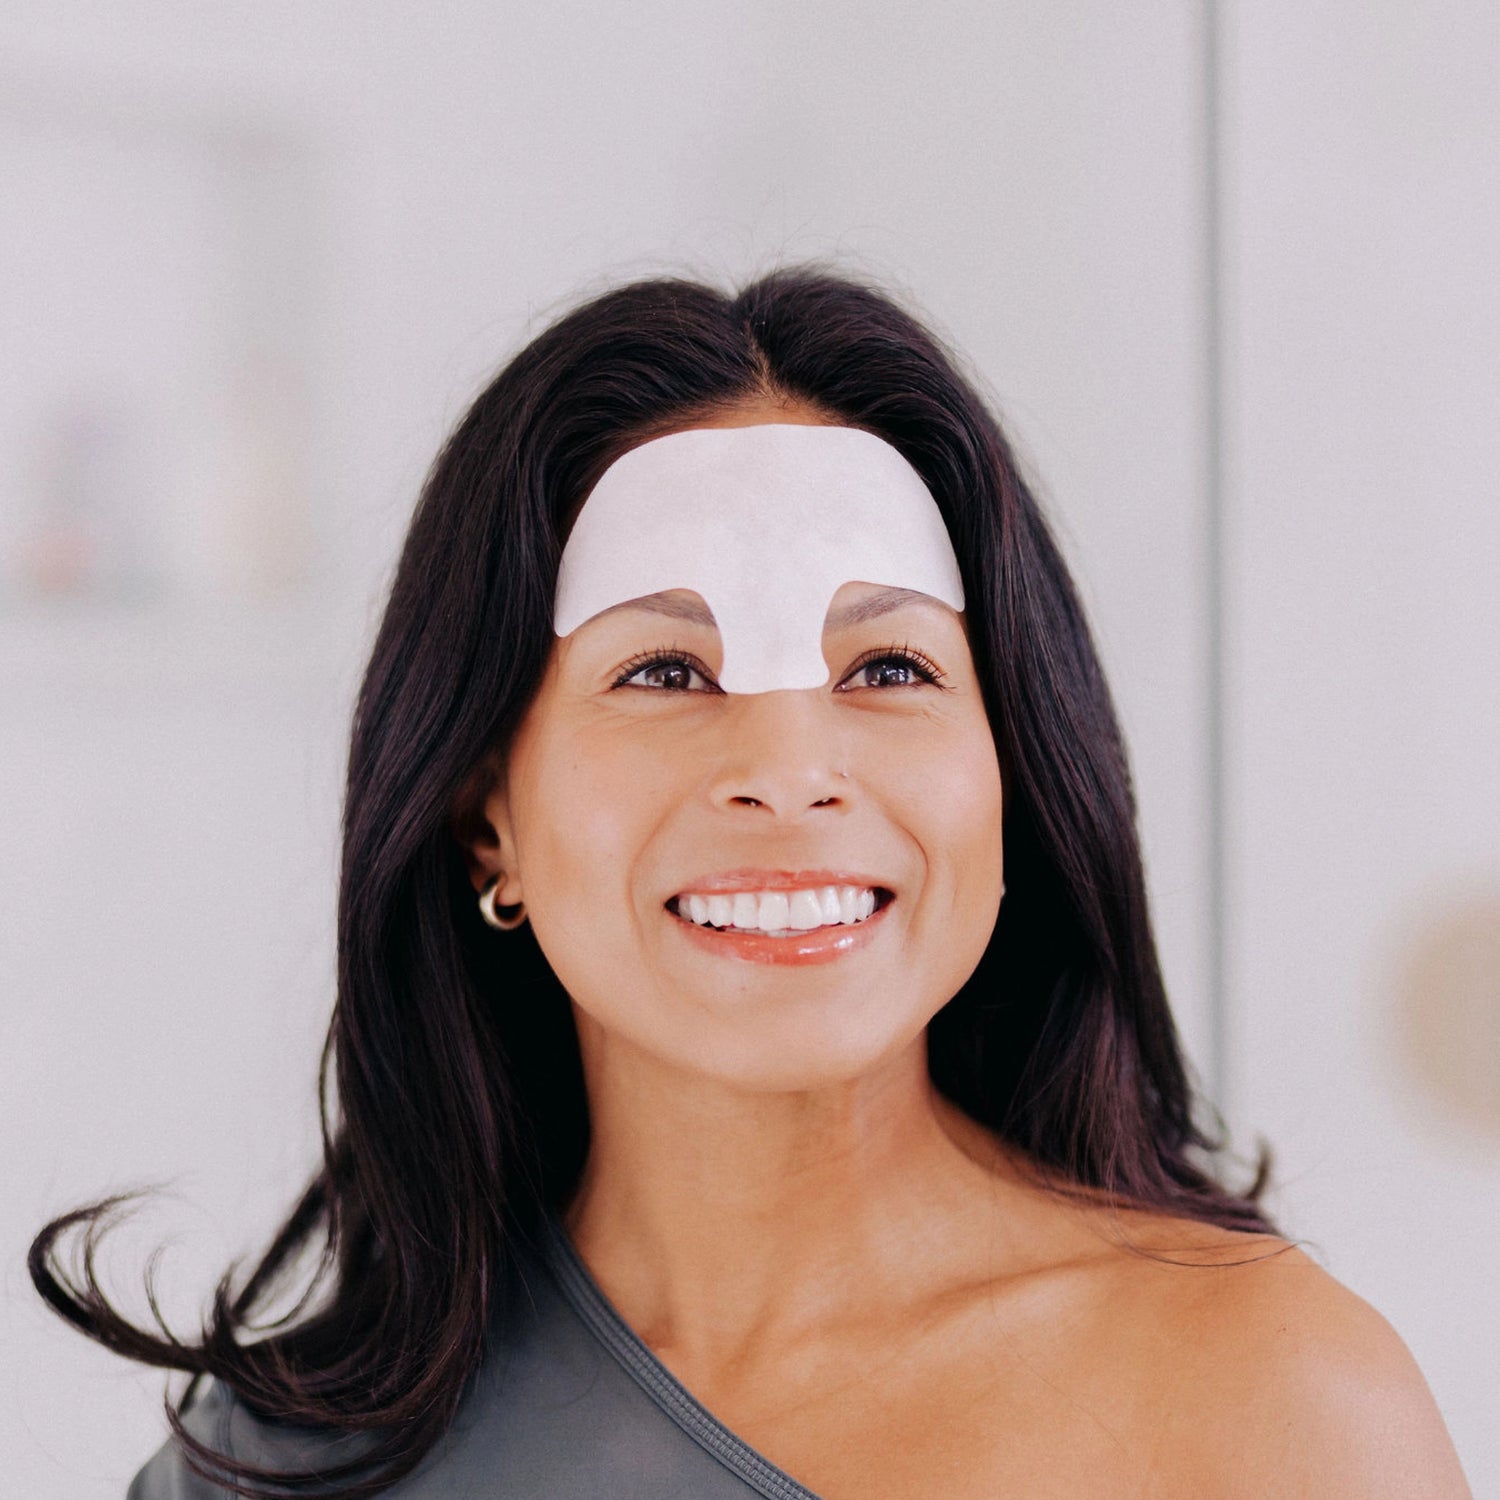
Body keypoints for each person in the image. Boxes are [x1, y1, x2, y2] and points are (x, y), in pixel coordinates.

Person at [31, 267, 1470, 1499]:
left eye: (888, 669)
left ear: (1013, 770)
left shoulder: (1278, 1410)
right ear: (488, 822)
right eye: (664, 670)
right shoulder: (279, 1465)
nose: (791, 769)